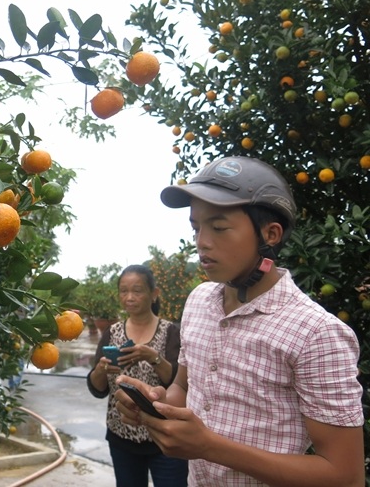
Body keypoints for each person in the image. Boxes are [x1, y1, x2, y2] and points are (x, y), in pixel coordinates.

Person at [113, 156, 364, 486]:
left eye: (218, 227)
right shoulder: (200, 302)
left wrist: (210, 447)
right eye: (196, 227)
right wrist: (157, 403)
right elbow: (185, 387)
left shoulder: (317, 333)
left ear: (270, 234)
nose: (201, 241)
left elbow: (345, 476)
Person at [87, 264, 187, 487]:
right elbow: (97, 388)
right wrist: (101, 370)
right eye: (124, 291)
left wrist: (153, 357)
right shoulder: (111, 333)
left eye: (137, 290)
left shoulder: (171, 332)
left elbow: (179, 382)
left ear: (154, 294)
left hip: (165, 437)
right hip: (121, 436)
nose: (129, 297)